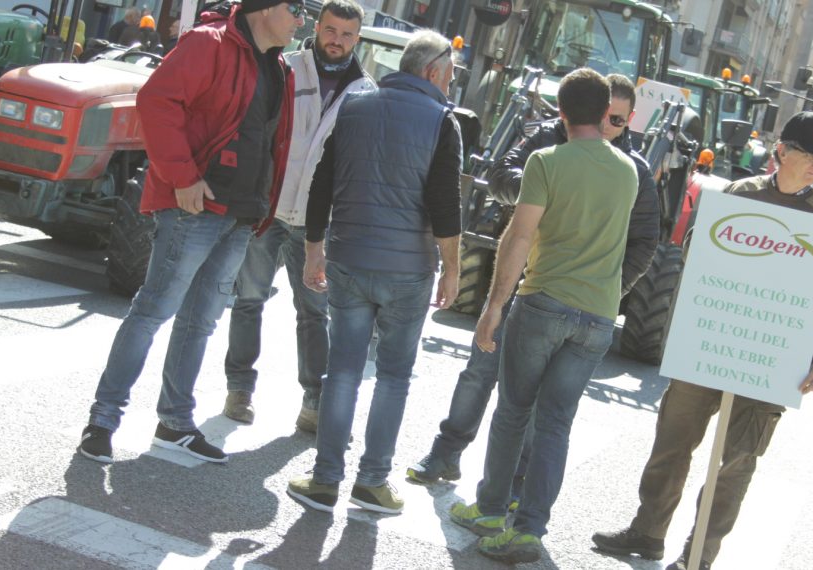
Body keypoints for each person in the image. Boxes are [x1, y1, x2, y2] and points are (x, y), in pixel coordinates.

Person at [591, 111, 813, 570]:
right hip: (712, 343)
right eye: (809, 155)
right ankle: (647, 532)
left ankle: (698, 559)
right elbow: (695, 251)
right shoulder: (737, 195)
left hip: (771, 360)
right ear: (782, 151)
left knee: (735, 464)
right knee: (672, 442)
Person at [407, 73, 660, 490]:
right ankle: (446, 452)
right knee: (480, 370)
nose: (603, 129)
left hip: (574, 299)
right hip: (517, 281)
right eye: (601, 118)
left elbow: (645, 239)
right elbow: (500, 178)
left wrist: (612, 291)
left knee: (539, 404)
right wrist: (545, 187)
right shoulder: (547, 142)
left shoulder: (635, 170)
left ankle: (512, 487)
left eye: (615, 122)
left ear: (628, 120)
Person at [76, 0, 303, 465]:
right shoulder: (208, 43)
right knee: (153, 311)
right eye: (296, 8)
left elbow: (272, 141)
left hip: (240, 215)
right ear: (266, 9)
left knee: (200, 322)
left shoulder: (279, 66)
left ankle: (175, 422)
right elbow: (157, 102)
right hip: (194, 207)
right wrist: (181, 177)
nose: (303, 20)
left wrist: (263, 208)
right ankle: (102, 420)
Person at [448, 68, 639, 564]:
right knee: (555, 423)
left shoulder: (546, 160)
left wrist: (493, 307)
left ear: (560, 111)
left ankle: (491, 510)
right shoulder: (628, 170)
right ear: (604, 114)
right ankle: (529, 530)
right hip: (597, 317)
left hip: (544, 302)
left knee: (514, 411)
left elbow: (519, 236)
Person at [285, 29, 462, 515]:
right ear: (432, 71)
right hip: (407, 269)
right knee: (392, 377)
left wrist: (314, 249)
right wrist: (451, 270)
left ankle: (324, 480)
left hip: (349, 257)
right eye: (450, 74)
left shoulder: (356, 105)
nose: (450, 83)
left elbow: (321, 183)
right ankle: (372, 482)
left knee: (341, 370)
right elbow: (445, 204)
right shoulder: (442, 121)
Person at [223, 0, 372, 431]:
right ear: (317, 27)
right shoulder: (284, 67)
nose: (336, 40)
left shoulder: (366, 93)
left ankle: (314, 400)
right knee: (249, 300)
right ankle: (239, 388)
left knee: (313, 312)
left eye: (346, 34)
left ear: (357, 39)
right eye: (330, 30)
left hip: (316, 225)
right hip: (268, 211)